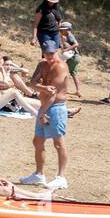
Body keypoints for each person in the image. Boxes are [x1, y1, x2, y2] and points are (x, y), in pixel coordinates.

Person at [18, 41, 72, 190]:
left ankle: (61, 177)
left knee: (58, 143)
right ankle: (39, 174)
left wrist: (42, 112)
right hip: (44, 107)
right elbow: (31, 83)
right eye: (46, 53)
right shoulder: (42, 64)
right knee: (38, 141)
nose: (48, 56)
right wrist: (43, 87)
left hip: (56, 108)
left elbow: (53, 93)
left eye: (51, 53)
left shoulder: (61, 66)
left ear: (57, 51)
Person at [57, 20, 82, 99]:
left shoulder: (70, 35)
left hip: (73, 57)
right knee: (74, 74)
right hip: (75, 57)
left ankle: (63, 89)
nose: (61, 31)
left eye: (62, 30)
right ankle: (78, 91)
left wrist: (66, 50)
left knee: (64, 72)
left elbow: (76, 44)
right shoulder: (66, 36)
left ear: (67, 29)